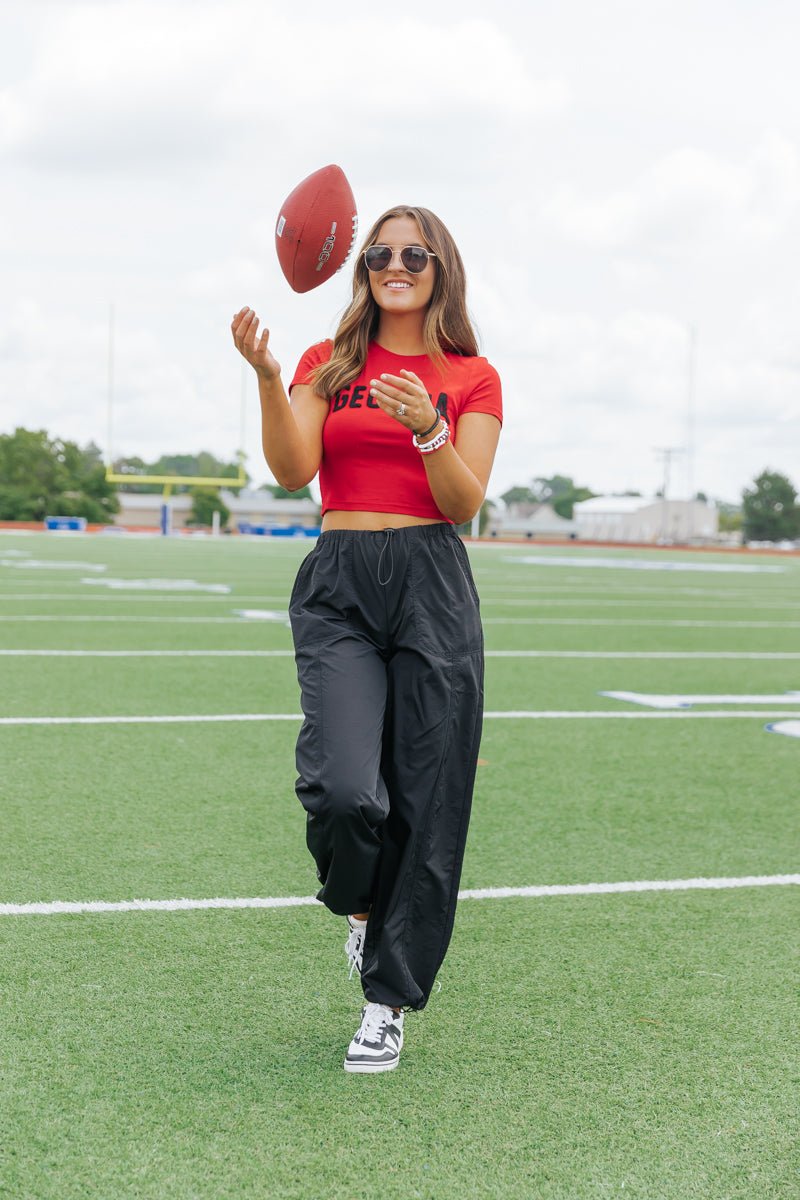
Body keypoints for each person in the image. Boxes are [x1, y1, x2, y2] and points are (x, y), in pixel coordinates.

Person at [231, 205, 502, 1073]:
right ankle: (356, 912)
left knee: (427, 800)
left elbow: (465, 504)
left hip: (431, 580)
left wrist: (428, 424)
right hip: (342, 577)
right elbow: (291, 469)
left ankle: (386, 1003)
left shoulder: (473, 377)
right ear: (362, 266)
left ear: (439, 268)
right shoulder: (327, 362)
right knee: (347, 788)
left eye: (413, 253)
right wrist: (271, 378)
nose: (395, 263)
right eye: (380, 252)